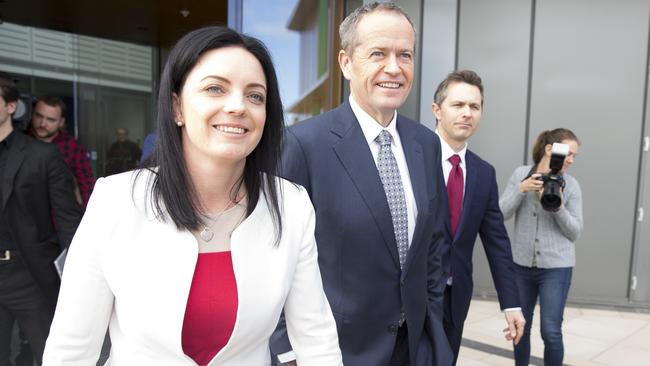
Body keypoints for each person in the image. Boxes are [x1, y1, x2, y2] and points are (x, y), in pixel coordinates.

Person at [42, 26, 342, 365]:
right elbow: (71, 351)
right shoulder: (115, 201)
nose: (238, 106)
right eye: (215, 88)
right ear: (177, 108)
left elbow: (317, 340)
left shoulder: (291, 206)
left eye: (255, 95)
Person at [271, 3, 452, 365]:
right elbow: (276, 253)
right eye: (377, 54)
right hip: (336, 350)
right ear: (345, 63)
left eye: (405, 55)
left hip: (414, 347)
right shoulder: (303, 145)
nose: (394, 68)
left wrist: (431, 319)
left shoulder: (426, 144)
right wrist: (287, 349)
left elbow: (434, 243)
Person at [431, 70, 525, 364]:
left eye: (475, 106)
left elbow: (497, 242)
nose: (467, 113)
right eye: (458, 105)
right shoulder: (412, 156)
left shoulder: (484, 173)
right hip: (410, 294)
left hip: (455, 295)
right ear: (437, 110)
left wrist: (511, 304)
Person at [0, 74, 82, 366]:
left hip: (29, 274)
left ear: (11, 106)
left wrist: (78, 277)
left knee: (51, 356)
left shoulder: (42, 155)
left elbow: (68, 218)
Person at [499, 128, 583, 366]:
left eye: (575, 156)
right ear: (550, 149)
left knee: (551, 331)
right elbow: (500, 213)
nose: (571, 160)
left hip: (556, 268)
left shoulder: (572, 185)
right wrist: (521, 190)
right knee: (519, 327)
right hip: (521, 266)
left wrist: (558, 207)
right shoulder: (521, 174)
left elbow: (575, 232)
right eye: (568, 154)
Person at [30, 96, 95, 207]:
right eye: (39, 116)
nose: (42, 124)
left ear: (61, 122)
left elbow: (86, 183)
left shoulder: (72, 147)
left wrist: (89, 215)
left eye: (50, 120)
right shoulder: (20, 141)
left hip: (60, 212)